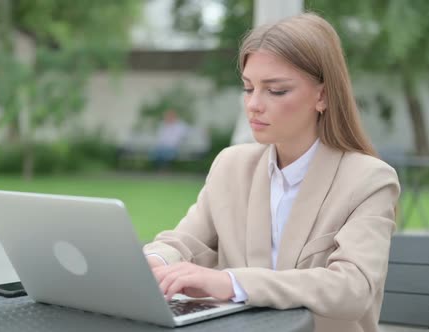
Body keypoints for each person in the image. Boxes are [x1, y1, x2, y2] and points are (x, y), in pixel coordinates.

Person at [142, 12, 400, 332]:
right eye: (249, 88)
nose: (254, 104)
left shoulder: (369, 181)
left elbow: (352, 288)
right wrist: (156, 262)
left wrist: (232, 282)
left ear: (322, 95)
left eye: (275, 90)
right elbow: (183, 241)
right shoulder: (231, 166)